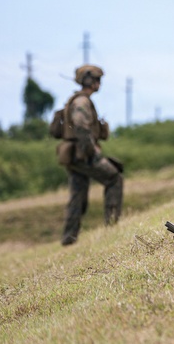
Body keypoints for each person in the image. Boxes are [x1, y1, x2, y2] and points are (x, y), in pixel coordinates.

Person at [58, 65, 123, 245]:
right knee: (114, 178)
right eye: (97, 80)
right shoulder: (82, 102)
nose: (99, 83)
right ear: (89, 81)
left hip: (74, 155)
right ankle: (112, 226)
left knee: (77, 197)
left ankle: (69, 239)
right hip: (82, 154)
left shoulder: (78, 100)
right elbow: (80, 125)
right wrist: (91, 151)